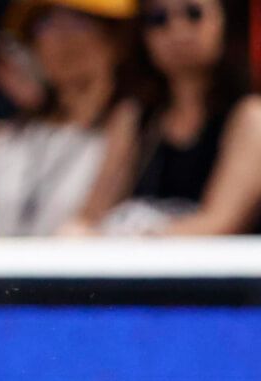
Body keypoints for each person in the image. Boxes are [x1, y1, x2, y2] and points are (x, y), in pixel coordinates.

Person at [64, 0, 261, 235]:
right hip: (136, 261)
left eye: (193, 13)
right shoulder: (135, 117)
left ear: (227, 21)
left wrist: (132, 240)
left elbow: (219, 223)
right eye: (159, 19)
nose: (177, 30)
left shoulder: (250, 116)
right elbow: (90, 216)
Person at [0, 0, 137, 236]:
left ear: (117, 38)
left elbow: (90, 220)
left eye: (79, 21)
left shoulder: (128, 122)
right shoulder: (1, 137)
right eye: (46, 22)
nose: (60, 36)